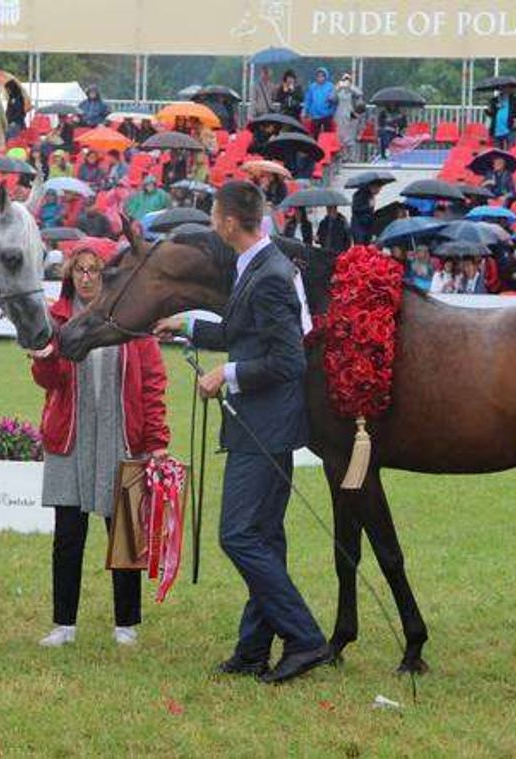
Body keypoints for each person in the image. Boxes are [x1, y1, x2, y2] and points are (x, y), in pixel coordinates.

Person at [153, 181, 329, 683]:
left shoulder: (269, 274)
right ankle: (253, 650)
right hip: (264, 425)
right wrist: (186, 326)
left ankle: (304, 638)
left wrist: (225, 374)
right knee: (264, 539)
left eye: (214, 214)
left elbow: (288, 360)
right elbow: (241, 332)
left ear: (230, 222)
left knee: (238, 535)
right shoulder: (259, 265)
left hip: (264, 428)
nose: (212, 222)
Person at [30, 241, 169, 649]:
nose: (87, 278)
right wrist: (43, 357)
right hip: (70, 436)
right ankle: (64, 625)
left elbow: (153, 383)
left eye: (95, 270)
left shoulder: (133, 318)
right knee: (67, 535)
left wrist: (157, 440)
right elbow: (48, 382)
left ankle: (126, 623)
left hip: (123, 435)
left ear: (108, 275)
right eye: (80, 270)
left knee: (125, 533)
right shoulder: (56, 318)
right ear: (70, 275)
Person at [332, 73, 364, 161]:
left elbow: (360, 93)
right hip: (340, 115)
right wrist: (337, 88)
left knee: (351, 136)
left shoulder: (353, 89)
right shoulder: (339, 88)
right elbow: (331, 98)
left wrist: (350, 87)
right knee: (340, 136)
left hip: (351, 115)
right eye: (344, 79)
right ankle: (343, 156)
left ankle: (352, 157)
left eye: (348, 79)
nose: (346, 81)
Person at [485, 85, 516, 151]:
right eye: (501, 88)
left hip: (510, 128)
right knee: (497, 151)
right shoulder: (494, 100)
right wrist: (489, 110)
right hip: (496, 129)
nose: (503, 90)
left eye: (505, 88)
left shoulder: (515, 100)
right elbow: (490, 114)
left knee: (510, 150)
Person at [302, 68, 336, 140]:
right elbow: (308, 100)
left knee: (327, 135)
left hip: (327, 115)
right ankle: (316, 147)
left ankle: (327, 146)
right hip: (315, 116)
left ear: (325, 76)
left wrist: (332, 100)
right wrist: (305, 111)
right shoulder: (312, 87)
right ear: (316, 77)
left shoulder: (331, 86)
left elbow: (335, 100)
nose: (320, 78)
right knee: (315, 136)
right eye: (318, 76)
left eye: (322, 76)